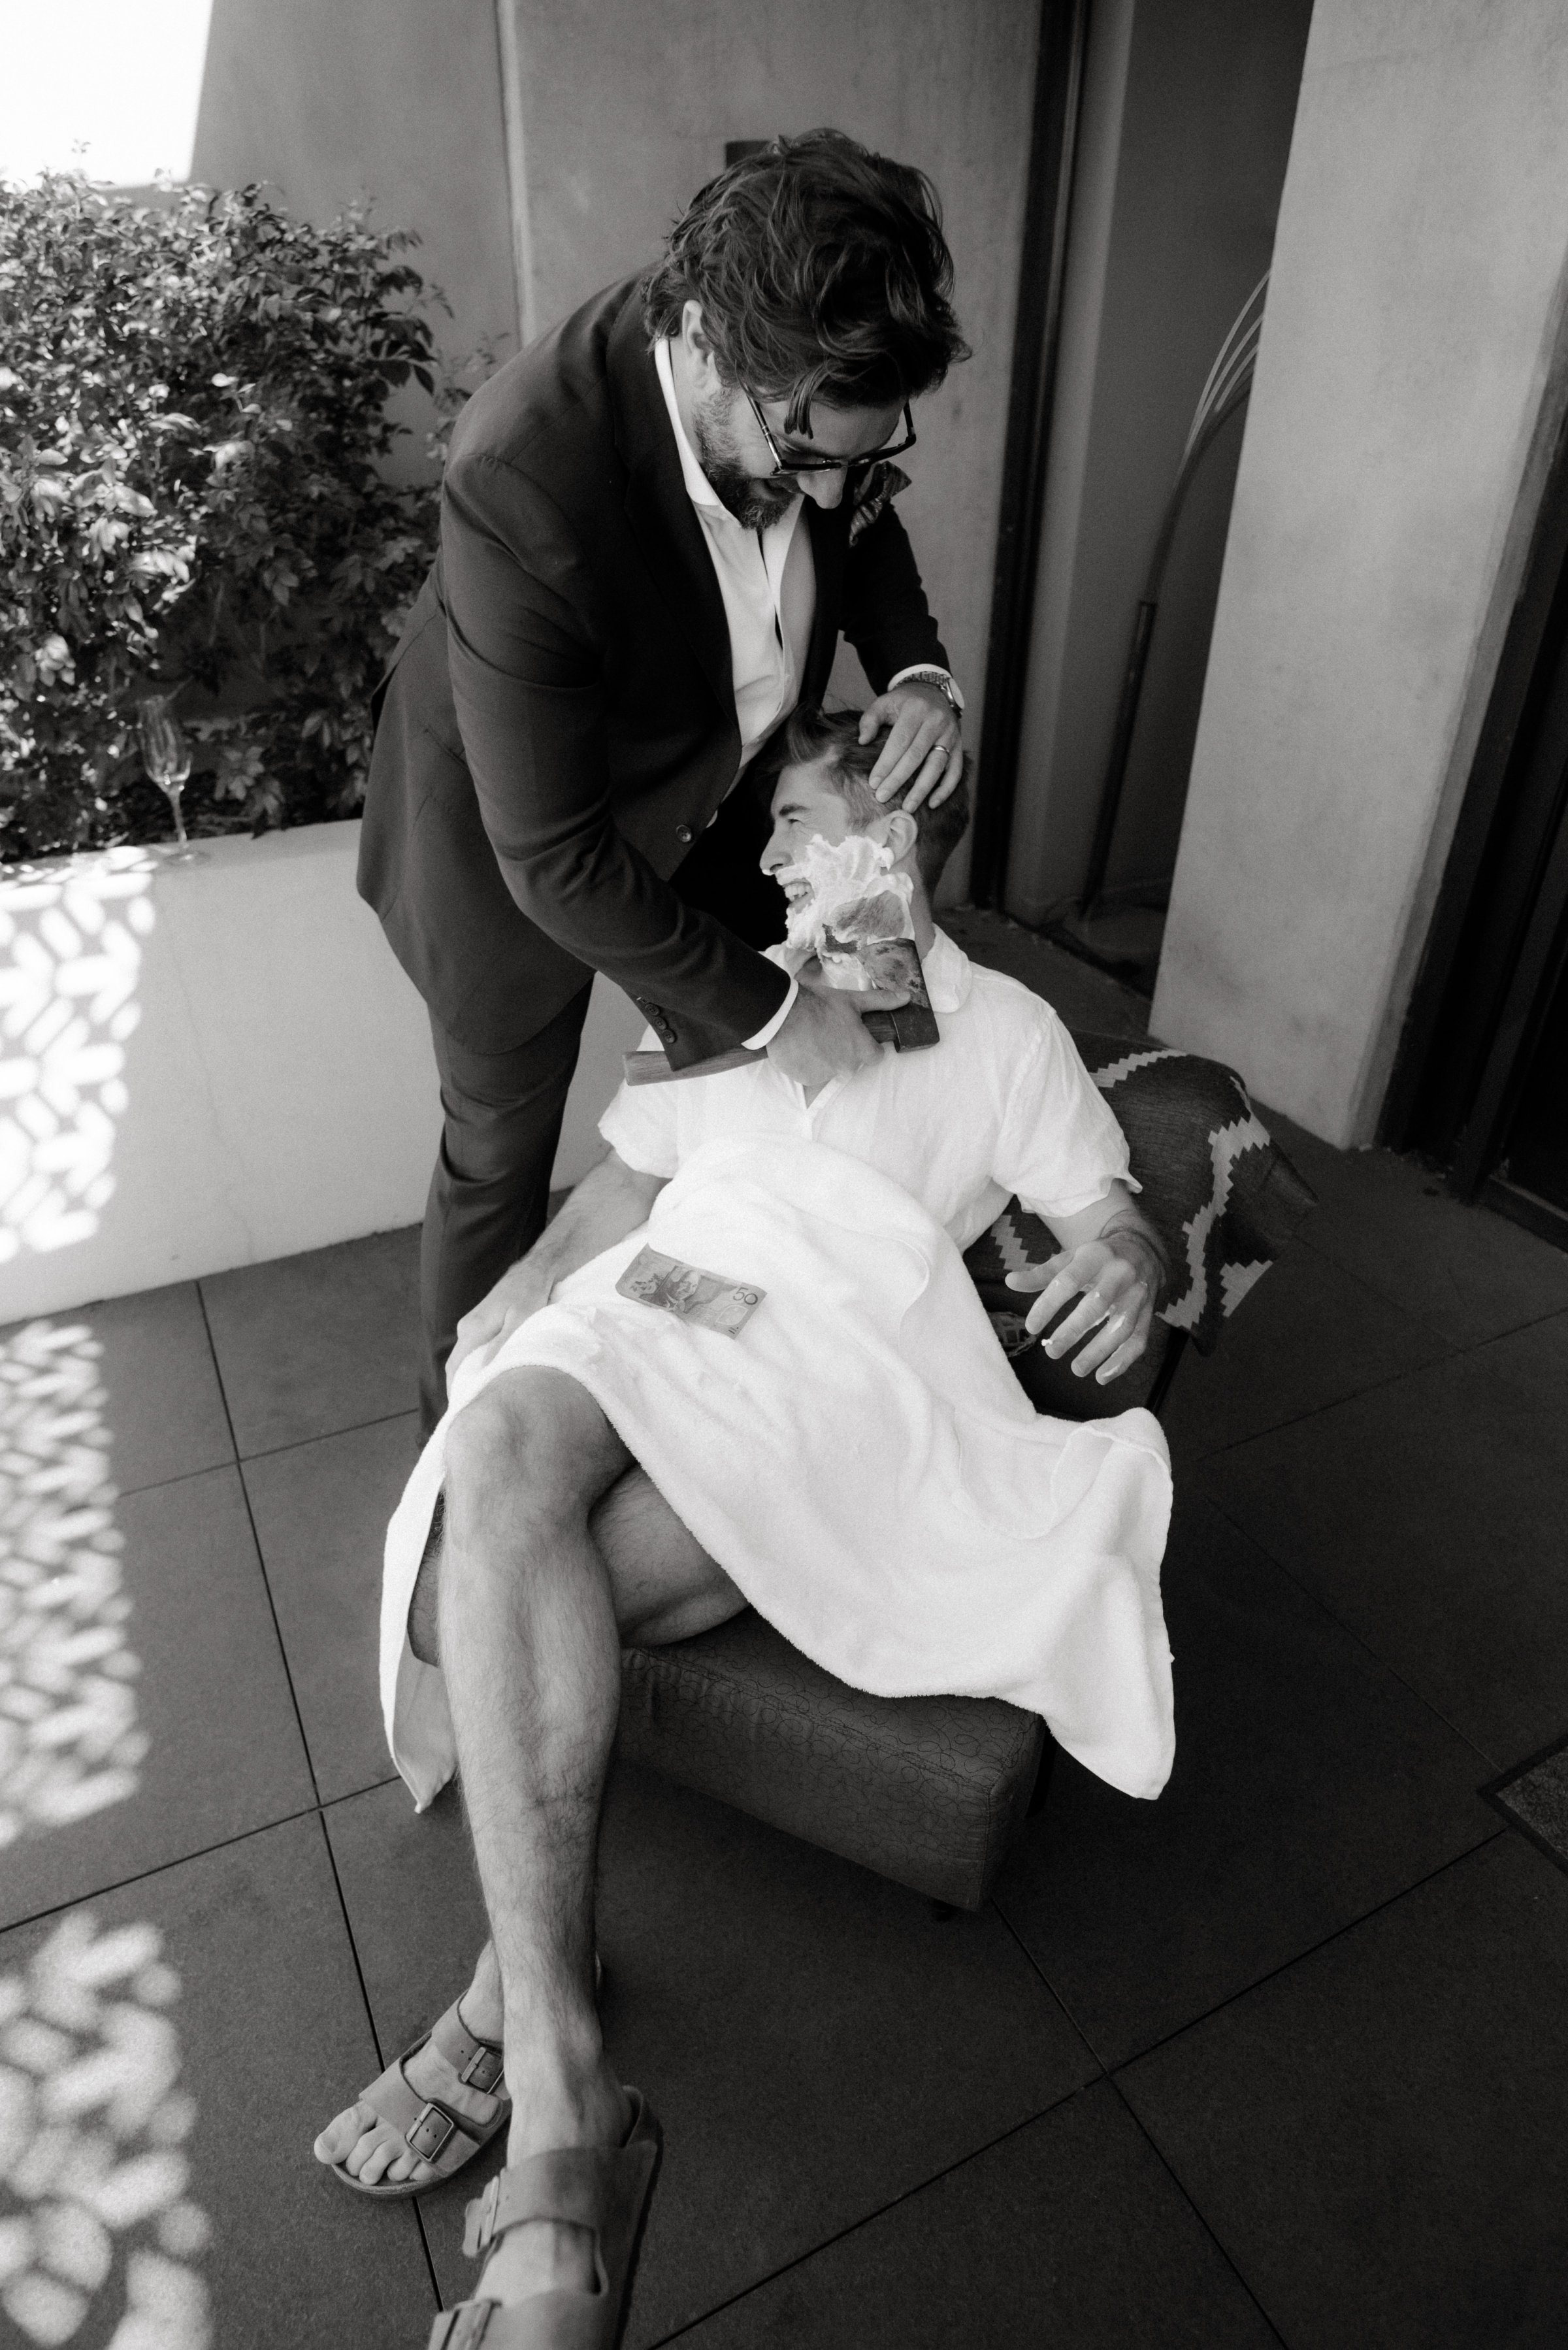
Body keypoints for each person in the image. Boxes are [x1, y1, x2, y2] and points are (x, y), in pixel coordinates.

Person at [317, 707, 1175, 2350]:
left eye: (799, 821)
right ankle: (567, 2098)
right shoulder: (728, 994)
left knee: (497, 1592)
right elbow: (625, 1190)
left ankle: (516, 2009)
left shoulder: (1005, 1034)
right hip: (660, 1300)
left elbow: (1108, 1215)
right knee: (498, 1441)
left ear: (900, 835)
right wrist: (510, 1290)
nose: (770, 857)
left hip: (836, 1352)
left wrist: (1124, 1261)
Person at [357, 129, 972, 1434]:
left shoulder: (806, 402)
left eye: (861, 458)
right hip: (508, 844)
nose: (834, 488)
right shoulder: (524, 471)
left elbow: (862, 522)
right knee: (497, 1155)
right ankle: (463, 1448)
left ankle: (743, 1341)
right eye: (807, 458)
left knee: (801, 1052)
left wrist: (918, 671)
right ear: (705, 348)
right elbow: (558, 859)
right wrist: (766, 1011)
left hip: (710, 790)